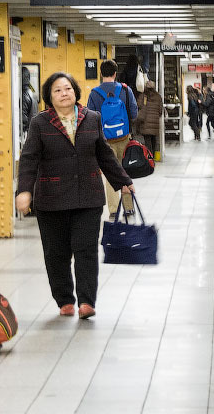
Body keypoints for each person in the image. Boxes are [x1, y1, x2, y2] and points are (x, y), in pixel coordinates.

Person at [16, 72, 134, 320]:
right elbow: (29, 159)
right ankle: (65, 299)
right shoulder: (39, 123)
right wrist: (24, 190)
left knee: (86, 249)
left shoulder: (92, 118)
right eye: (57, 90)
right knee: (56, 252)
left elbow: (103, 154)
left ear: (75, 92)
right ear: (50, 96)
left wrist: (122, 181)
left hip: (87, 196)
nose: (64, 93)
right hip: (51, 199)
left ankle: (86, 301)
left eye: (68, 88)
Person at [87, 60, 138, 221]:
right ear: (115, 74)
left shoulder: (94, 93)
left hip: (104, 142)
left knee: (110, 175)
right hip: (124, 137)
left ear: (101, 73)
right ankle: (129, 209)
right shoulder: (125, 90)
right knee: (125, 172)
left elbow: (90, 118)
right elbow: (134, 113)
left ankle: (114, 210)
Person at [136, 80, 164, 156]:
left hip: (145, 123)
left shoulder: (143, 96)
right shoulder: (158, 96)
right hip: (155, 123)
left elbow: (139, 106)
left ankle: (149, 157)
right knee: (153, 140)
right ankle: (153, 156)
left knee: (147, 141)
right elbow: (160, 111)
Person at [20, 67, 37, 135]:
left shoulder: (24, 94)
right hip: (32, 129)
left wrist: (20, 132)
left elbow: (22, 117)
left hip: (26, 132)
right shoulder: (32, 92)